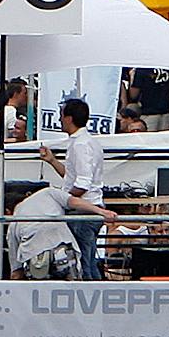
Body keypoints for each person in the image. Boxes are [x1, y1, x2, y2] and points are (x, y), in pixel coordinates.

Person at [41, 97, 112, 280]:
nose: (59, 119)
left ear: (69, 118)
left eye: (62, 115)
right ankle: (95, 293)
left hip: (83, 211)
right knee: (86, 258)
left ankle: (91, 295)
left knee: (83, 261)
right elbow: (74, 178)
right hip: (88, 209)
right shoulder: (86, 142)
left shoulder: (80, 144)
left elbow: (82, 183)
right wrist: (52, 161)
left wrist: (65, 199)